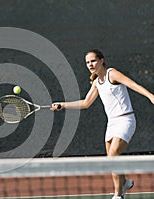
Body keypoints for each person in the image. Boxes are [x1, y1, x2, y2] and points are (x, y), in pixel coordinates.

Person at [51, 49, 154, 199]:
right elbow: (86, 103)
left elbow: (133, 85)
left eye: (93, 61)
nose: (90, 64)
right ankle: (124, 182)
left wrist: (151, 96)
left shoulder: (112, 74)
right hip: (111, 123)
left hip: (125, 120)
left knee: (113, 155)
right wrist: (63, 104)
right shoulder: (96, 82)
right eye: (87, 62)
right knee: (112, 158)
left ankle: (118, 195)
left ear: (101, 60)